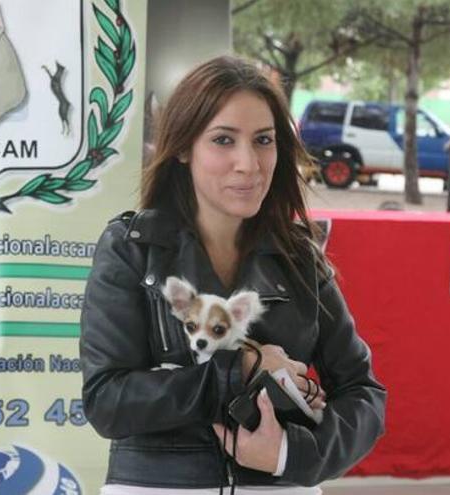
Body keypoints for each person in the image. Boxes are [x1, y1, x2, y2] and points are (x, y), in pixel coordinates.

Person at [80, 56, 387, 494]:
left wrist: (289, 454)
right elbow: (107, 402)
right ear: (184, 147)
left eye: (263, 140)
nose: (249, 163)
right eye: (224, 139)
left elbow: (364, 392)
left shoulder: (298, 256)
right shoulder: (131, 249)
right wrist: (242, 367)